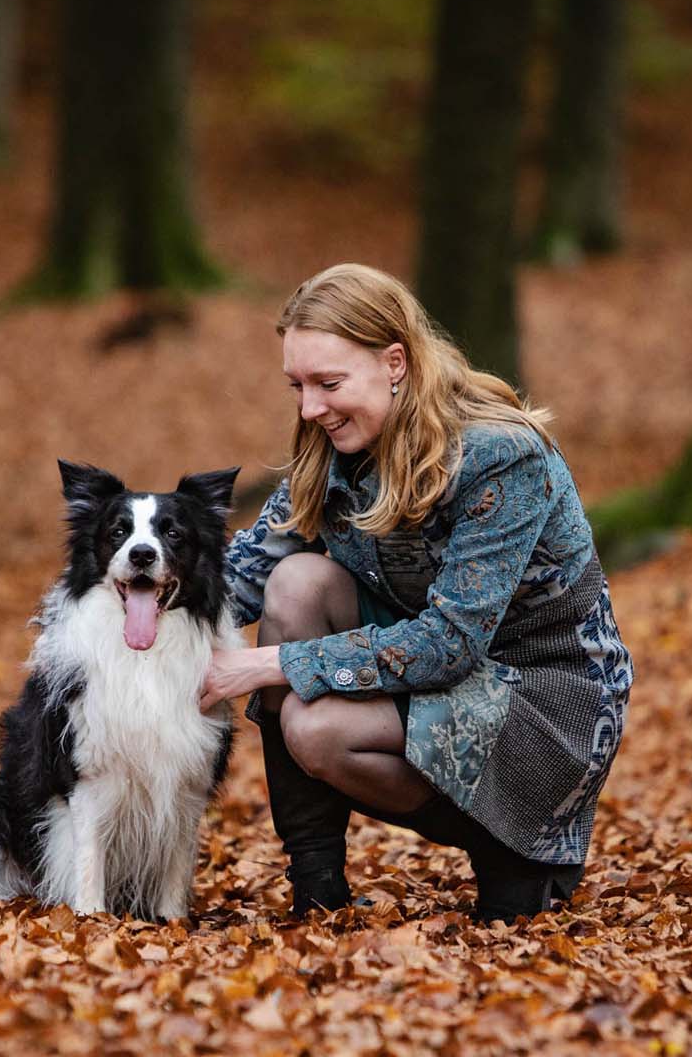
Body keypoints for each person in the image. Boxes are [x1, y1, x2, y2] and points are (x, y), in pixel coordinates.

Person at [198, 263, 633, 924]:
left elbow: (451, 644)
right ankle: (317, 887)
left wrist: (265, 665)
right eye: (297, 385)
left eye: (328, 383)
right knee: (297, 583)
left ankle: (509, 844)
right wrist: (121, 611)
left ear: (394, 361)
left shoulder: (498, 455)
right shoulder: (331, 450)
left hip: (543, 699)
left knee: (315, 728)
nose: (309, 408)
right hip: (432, 682)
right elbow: (241, 579)